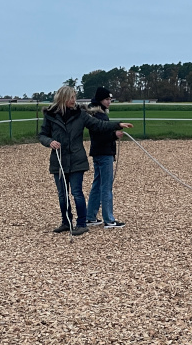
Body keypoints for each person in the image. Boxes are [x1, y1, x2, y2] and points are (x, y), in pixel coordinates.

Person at [39, 85, 132, 235]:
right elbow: (42, 134)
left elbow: (98, 125)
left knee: (77, 192)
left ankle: (82, 223)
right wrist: (49, 141)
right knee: (62, 194)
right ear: (63, 98)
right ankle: (65, 221)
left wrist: (117, 125)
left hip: (77, 160)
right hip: (59, 160)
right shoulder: (50, 116)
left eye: (75, 97)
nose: (74, 100)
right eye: (71, 97)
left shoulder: (80, 115)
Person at [85, 86, 131, 229]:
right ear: (100, 100)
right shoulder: (100, 116)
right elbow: (100, 135)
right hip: (104, 154)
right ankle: (109, 219)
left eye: (110, 99)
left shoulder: (95, 114)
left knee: (97, 185)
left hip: (98, 153)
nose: (109, 102)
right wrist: (114, 135)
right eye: (107, 99)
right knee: (106, 186)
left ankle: (90, 217)